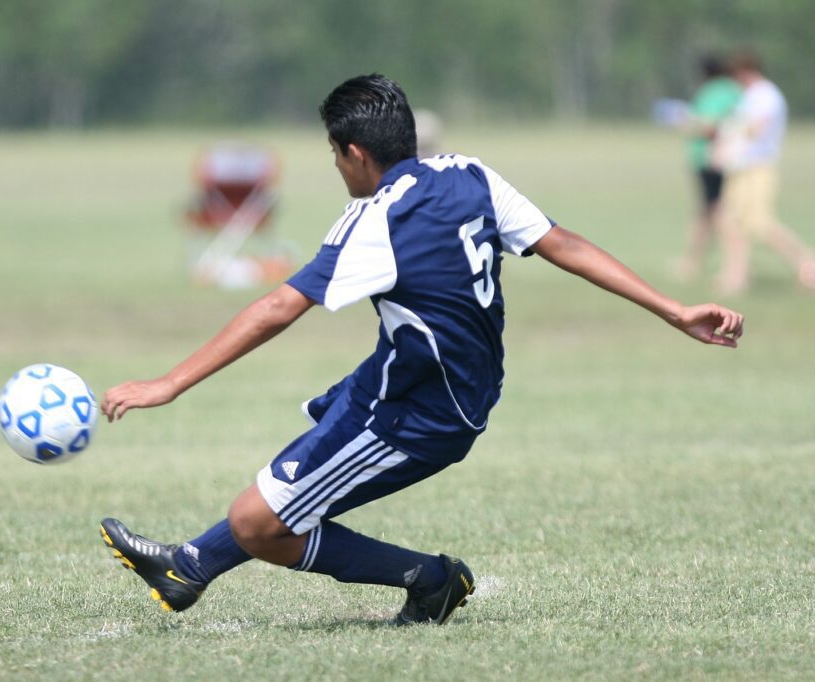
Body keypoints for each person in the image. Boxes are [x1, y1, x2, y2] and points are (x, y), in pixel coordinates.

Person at [99, 74, 744, 626]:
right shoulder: (468, 174)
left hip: (421, 414)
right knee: (298, 473)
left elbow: (277, 307)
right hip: (411, 379)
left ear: (355, 153)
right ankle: (188, 569)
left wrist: (168, 384)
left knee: (258, 524)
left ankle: (430, 580)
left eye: (333, 153)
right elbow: (561, 242)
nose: (335, 166)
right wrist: (673, 308)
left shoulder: (376, 219)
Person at [713, 49, 815, 294]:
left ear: (746, 72)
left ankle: (809, 263)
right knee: (729, 221)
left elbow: (755, 129)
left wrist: (728, 142)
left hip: (757, 167)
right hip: (740, 168)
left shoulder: (766, 95)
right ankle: (735, 277)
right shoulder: (749, 96)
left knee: (760, 224)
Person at [673, 55, 743, 282]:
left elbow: (710, 128)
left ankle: (734, 269)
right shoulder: (734, 90)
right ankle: (692, 263)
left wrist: (686, 121)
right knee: (705, 213)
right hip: (724, 159)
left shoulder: (713, 92)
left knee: (719, 213)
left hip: (711, 159)